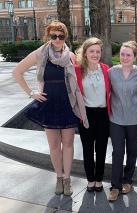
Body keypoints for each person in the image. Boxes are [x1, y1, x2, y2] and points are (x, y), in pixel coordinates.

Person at [12, 20, 88, 196]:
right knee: (54, 145)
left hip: (67, 102)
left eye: (61, 36)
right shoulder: (40, 53)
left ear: (65, 37)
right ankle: (59, 178)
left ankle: (67, 179)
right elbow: (17, 71)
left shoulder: (70, 56)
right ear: (48, 36)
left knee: (68, 144)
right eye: (54, 36)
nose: (57, 39)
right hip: (49, 102)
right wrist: (31, 93)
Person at [107, 41, 137, 201]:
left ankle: (127, 181)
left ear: (135, 57)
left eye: (128, 55)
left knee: (132, 151)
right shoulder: (111, 72)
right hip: (116, 119)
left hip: (135, 119)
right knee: (117, 152)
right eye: (122, 54)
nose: (124, 57)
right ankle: (115, 186)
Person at [75, 37, 110, 193]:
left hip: (103, 114)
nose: (95, 54)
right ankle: (90, 180)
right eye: (91, 51)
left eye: (97, 51)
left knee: (101, 148)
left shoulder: (105, 68)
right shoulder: (77, 70)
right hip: (86, 114)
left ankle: (99, 179)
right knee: (88, 149)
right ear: (85, 53)